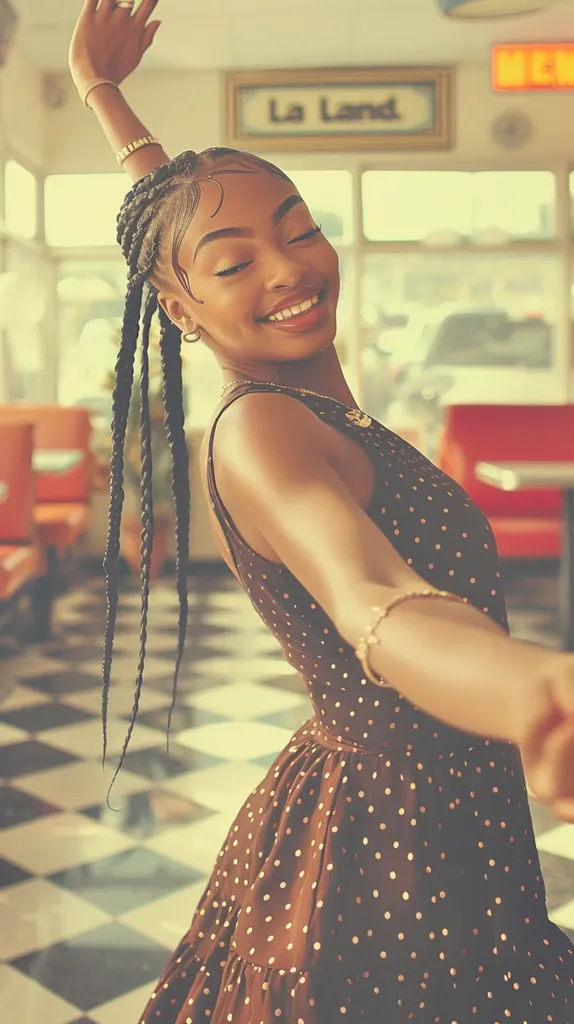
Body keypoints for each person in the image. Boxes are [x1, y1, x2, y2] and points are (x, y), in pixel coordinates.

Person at [69, 2, 574, 1020]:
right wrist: (538, 687)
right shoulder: (262, 432)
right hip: (392, 856)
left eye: (298, 229)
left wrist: (104, 97)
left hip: (436, 816)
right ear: (181, 309)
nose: (289, 266)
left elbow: (179, 227)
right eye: (237, 263)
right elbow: (374, 597)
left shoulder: (302, 396)